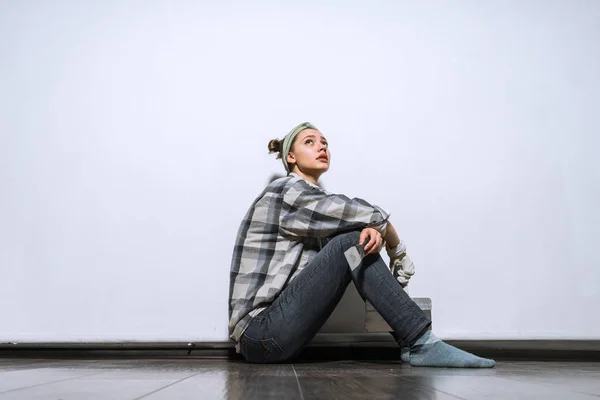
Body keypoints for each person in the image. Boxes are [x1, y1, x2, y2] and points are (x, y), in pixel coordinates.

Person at [228, 122, 495, 368]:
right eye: (309, 142)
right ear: (291, 157)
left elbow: (345, 235)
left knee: (356, 238)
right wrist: (394, 246)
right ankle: (420, 343)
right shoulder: (286, 191)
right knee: (353, 239)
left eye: (325, 143)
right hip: (260, 333)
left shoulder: (311, 206)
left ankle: (420, 342)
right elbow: (360, 213)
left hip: (274, 335)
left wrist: (368, 232)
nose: (322, 147)